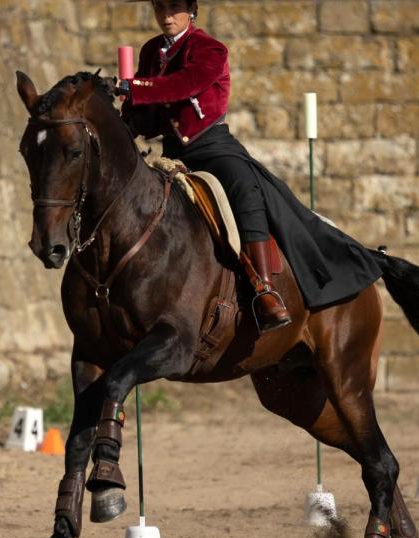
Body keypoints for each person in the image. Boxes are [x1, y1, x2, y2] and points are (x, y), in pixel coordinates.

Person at [118, 0, 383, 332]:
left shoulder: (211, 50)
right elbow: (153, 114)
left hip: (213, 148)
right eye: (160, 7)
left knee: (246, 187)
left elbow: (184, 85)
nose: (166, 16)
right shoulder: (151, 51)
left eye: (174, 7)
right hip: (172, 153)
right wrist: (126, 117)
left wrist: (135, 87)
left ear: (191, 10)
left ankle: (264, 289)